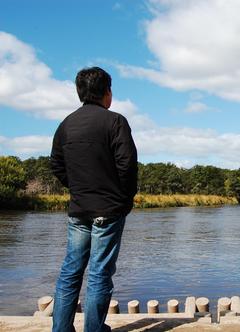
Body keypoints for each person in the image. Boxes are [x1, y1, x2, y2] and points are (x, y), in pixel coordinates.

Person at [50, 67, 137, 332]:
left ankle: (61, 329)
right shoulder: (115, 122)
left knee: (70, 272)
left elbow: (56, 164)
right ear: (106, 92)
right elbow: (128, 166)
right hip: (108, 211)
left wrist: (77, 188)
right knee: (99, 274)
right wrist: (124, 199)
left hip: (79, 211)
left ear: (80, 93)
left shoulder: (66, 125)